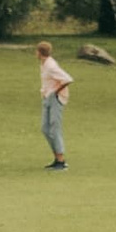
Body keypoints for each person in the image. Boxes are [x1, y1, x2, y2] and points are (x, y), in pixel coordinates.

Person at [37, 41, 73, 170]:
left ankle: (61, 161)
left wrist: (56, 92)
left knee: (54, 128)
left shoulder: (51, 66)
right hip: (47, 96)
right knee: (45, 129)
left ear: (39, 52)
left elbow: (67, 79)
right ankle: (56, 157)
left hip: (55, 98)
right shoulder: (44, 64)